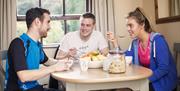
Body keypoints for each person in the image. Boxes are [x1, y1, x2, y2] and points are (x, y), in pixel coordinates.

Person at [107, 7, 177, 91]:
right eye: (127, 26)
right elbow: (124, 60)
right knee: (117, 89)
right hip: (147, 82)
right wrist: (115, 42)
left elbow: (163, 68)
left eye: (131, 25)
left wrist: (143, 81)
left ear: (142, 25)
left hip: (162, 84)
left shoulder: (158, 40)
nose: (128, 29)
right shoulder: (135, 43)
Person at [5, 7, 71, 91]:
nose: (49, 27)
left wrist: (62, 63)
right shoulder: (18, 43)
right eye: (48, 22)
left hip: (35, 88)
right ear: (37, 22)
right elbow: (23, 76)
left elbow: (47, 61)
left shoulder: (36, 45)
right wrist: (54, 68)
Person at [48, 12, 109, 90]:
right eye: (82, 25)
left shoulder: (98, 36)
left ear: (93, 26)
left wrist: (101, 54)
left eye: (88, 25)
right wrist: (68, 55)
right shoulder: (69, 37)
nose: (84, 28)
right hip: (72, 74)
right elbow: (57, 59)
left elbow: (106, 55)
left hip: (92, 73)